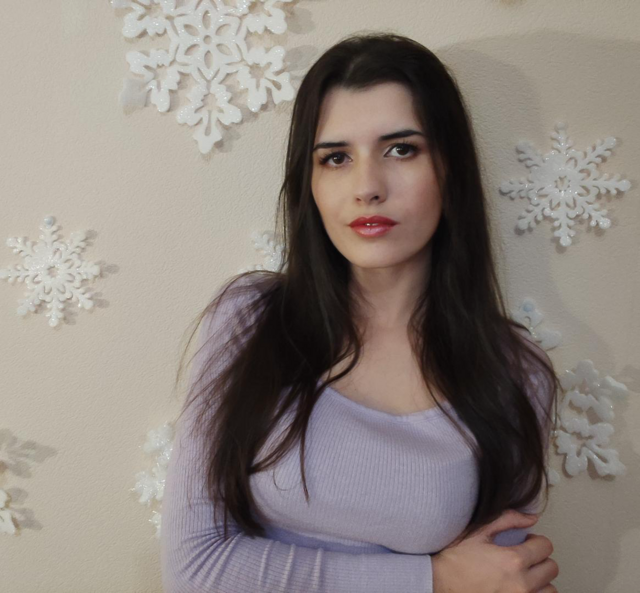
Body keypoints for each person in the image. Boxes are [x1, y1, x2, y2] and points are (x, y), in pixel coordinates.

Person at [160, 32, 561, 592]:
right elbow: (195, 572)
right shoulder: (248, 319)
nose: (367, 187)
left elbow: (502, 580)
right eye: (336, 158)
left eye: (401, 150)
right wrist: (431, 579)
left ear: (449, 168)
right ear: (310, 183)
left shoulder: (515, 372)